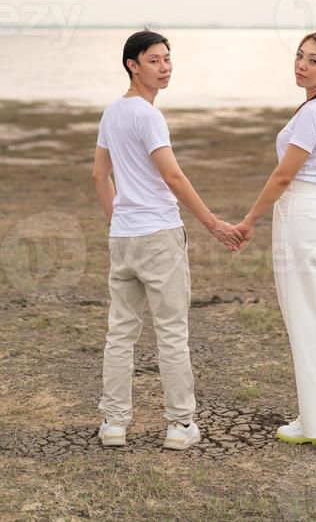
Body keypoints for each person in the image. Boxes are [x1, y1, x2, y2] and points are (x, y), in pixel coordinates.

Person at [92, 29, 243, 451]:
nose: (165, 67)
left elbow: (99, 175)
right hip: (158, 236)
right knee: (171, 333)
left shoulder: (111, 112)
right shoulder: (147, 115)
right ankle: (180, 425)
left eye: (167, 59)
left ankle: (114, 424)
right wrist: (213, 223)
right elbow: (172, 175)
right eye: (154, 60)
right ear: (132, 65)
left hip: (123, 238)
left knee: (120, 333)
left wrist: (118, 219)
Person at [237, 31, 316, 449]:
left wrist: (250, 218)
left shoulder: (314, 113)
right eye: (299, 56)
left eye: (313, 60)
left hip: (304, 216)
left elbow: (284, 175)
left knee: (308, 323)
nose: (302, 64)